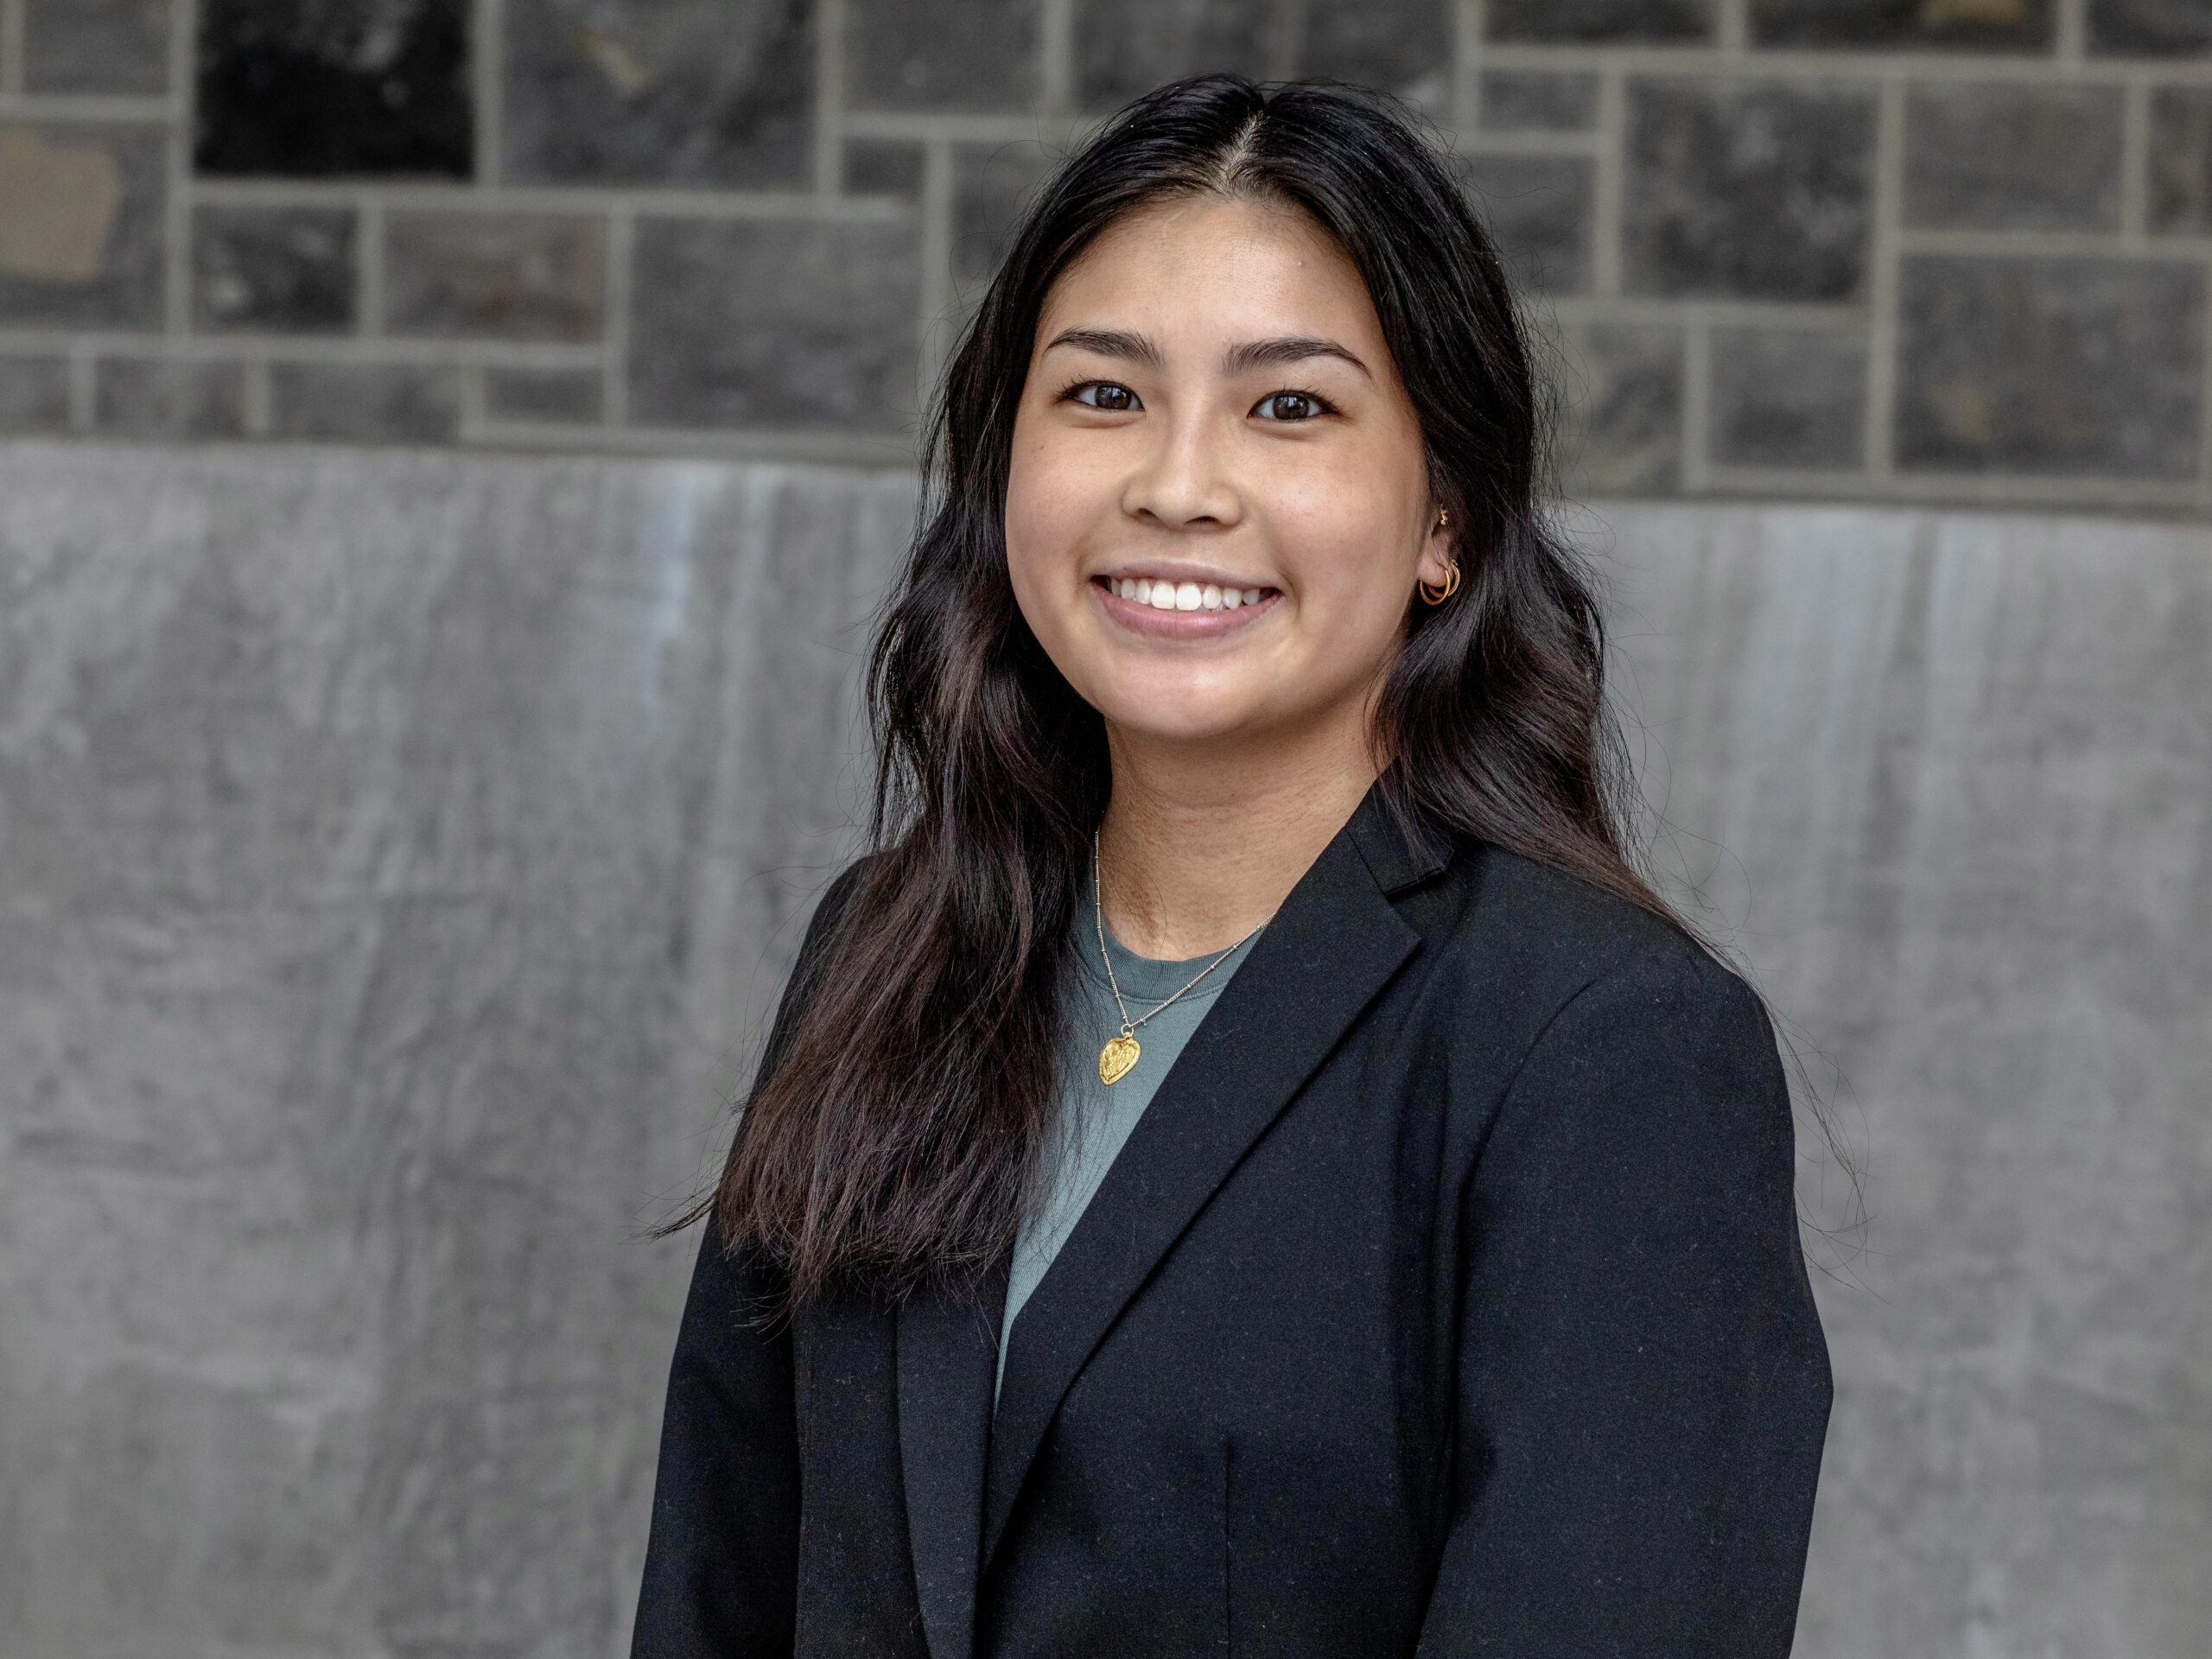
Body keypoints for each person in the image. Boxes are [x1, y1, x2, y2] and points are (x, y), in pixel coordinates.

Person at [632, 72, 1838, 1659]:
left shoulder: (1609, 1052)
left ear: (1447, 521)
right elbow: (717, 1589)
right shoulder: (891, 946)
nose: (1179, 485)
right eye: (1104, 394)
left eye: (1290, 408)